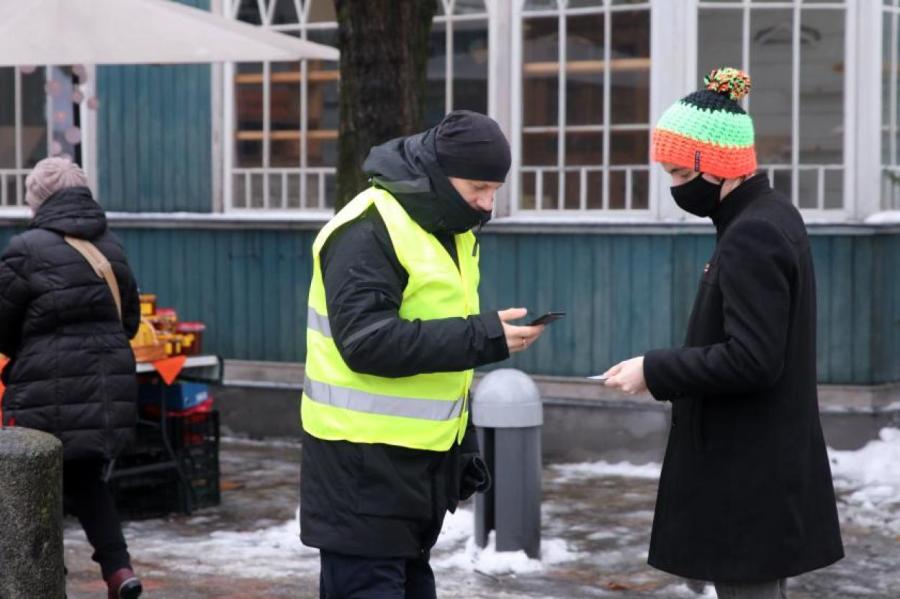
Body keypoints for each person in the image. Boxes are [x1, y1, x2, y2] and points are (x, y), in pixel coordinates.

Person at [603, 68, 844, 598]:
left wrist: (653, 369)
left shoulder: (752, 233)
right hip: (759, 464)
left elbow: (754, 360)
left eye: (675, 172)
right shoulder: (768, 216)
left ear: (712, 166)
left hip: (747, 475)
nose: (671, 186)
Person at [300, 110, 545, 598]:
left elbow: (438, 363)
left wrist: (463, 448)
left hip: (413, 477)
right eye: (478, 186)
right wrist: (484, 337)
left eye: (495, 189)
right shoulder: (369, 227)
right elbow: (367, 342)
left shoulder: (449, 228)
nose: (487, 202)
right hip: (360, 474)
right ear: (437, 171)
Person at [0, 158, 143, 599]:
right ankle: (119, 572)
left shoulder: (26, 249)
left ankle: (41, 579)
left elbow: (2, 327)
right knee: (85, 482)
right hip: (105, 391)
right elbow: (131, 322)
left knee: (28, 484)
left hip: (44, 389)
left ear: (38, 200)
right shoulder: (110, 247)